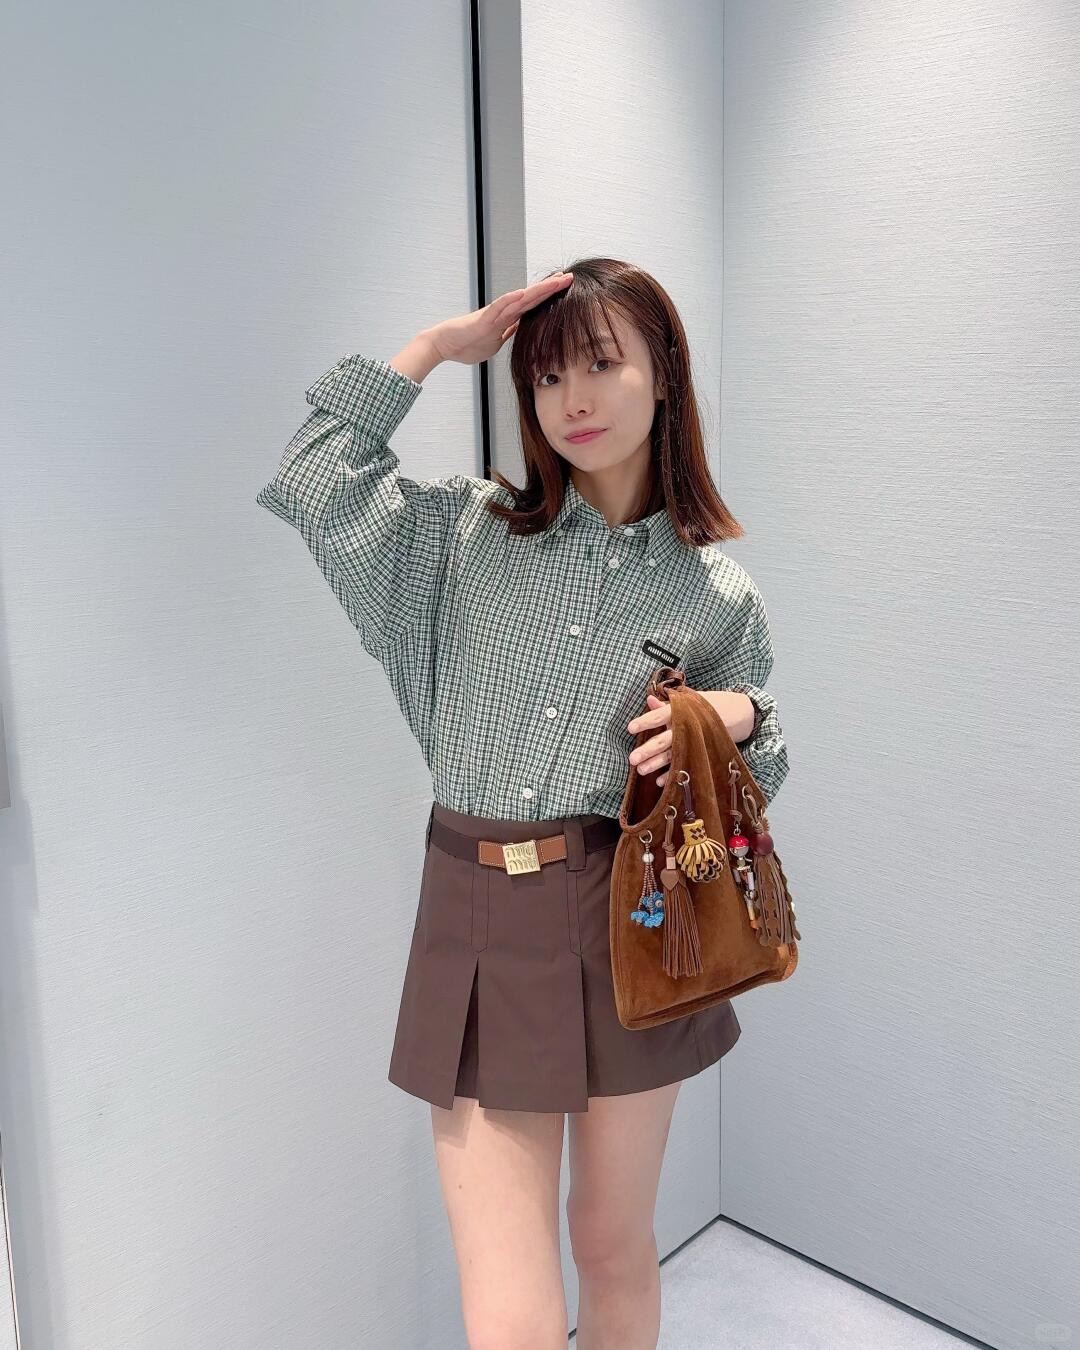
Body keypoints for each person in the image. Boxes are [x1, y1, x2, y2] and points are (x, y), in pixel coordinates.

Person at [256, 256, 789, 1349]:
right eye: (547, 377)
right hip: (480, 914)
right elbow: (315, 481)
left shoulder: (715, 595)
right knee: (510, 1313)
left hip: (637, 917)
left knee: (611, 1240)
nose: (572, 399)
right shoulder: (461, 536)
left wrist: (740, 715)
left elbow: (757, 784)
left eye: (600, 364)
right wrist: (433, 350)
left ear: (664, 374)